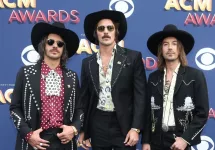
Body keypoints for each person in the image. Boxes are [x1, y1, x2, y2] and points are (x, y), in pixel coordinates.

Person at [77, 10, 147, 150]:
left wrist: (136, 128)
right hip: (98, 124)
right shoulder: (87, 63)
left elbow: (141, 96)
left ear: (116, 32)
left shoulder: (132, 57)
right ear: (96, 33)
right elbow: (84, 99)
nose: (105, 32)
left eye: (110, 28)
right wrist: (84, 130)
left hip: (124, 125)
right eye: (101, 28)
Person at [10, 22, 83, 150]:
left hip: (64, 142)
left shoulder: (72, 77)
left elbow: (80, 109)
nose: (55, 46)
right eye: (50, 42)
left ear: (63, 49)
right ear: (43, 45)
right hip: (34, 140)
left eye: (60, 44)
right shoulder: (25, 73)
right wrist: (28, 134)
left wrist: (73, 129)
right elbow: (15, 108)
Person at [142, 24, 209, 150]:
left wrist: (185, 139)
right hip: (156, 142)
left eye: (174, 43)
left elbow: (202, 113)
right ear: (161, 49)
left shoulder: (195, 75)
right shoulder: (153, 78)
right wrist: (146, 141)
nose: (170, 48)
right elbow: (148, 113)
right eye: (165, 44)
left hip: (180, 141)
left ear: (180, 49)